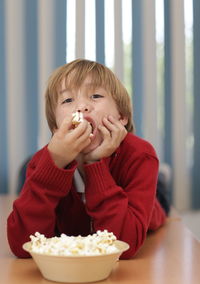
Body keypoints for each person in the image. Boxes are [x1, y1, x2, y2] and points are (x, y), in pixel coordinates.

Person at [7, 59, 167, 259]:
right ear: (56, 128)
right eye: (67, 101)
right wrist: (54, 164)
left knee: (158, 199)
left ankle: (160, 182)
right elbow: (23, 246)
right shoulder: (43, 160)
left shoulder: (140, 155)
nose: (81, 107)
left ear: (122, 117)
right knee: (33, 165)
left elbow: (124, 246)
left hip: (147, 206)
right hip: (57, 180)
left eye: (96, 96)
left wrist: (94, 163)